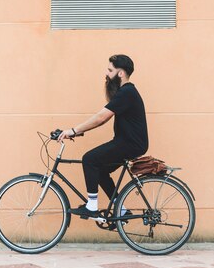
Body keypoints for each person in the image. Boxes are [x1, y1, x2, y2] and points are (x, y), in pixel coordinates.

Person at [58, 54, 149, 218]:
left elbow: (101, 118)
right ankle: (120, 209)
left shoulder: (127, 92)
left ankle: (92, 206)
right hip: (129, 142)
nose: (106, 74)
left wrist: (73, 130)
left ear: (120, 73)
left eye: (110, 70)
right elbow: (102, 117)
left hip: (130, 143)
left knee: (89, 159)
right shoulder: (125, 92)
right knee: (99, 170)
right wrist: (78, 131)